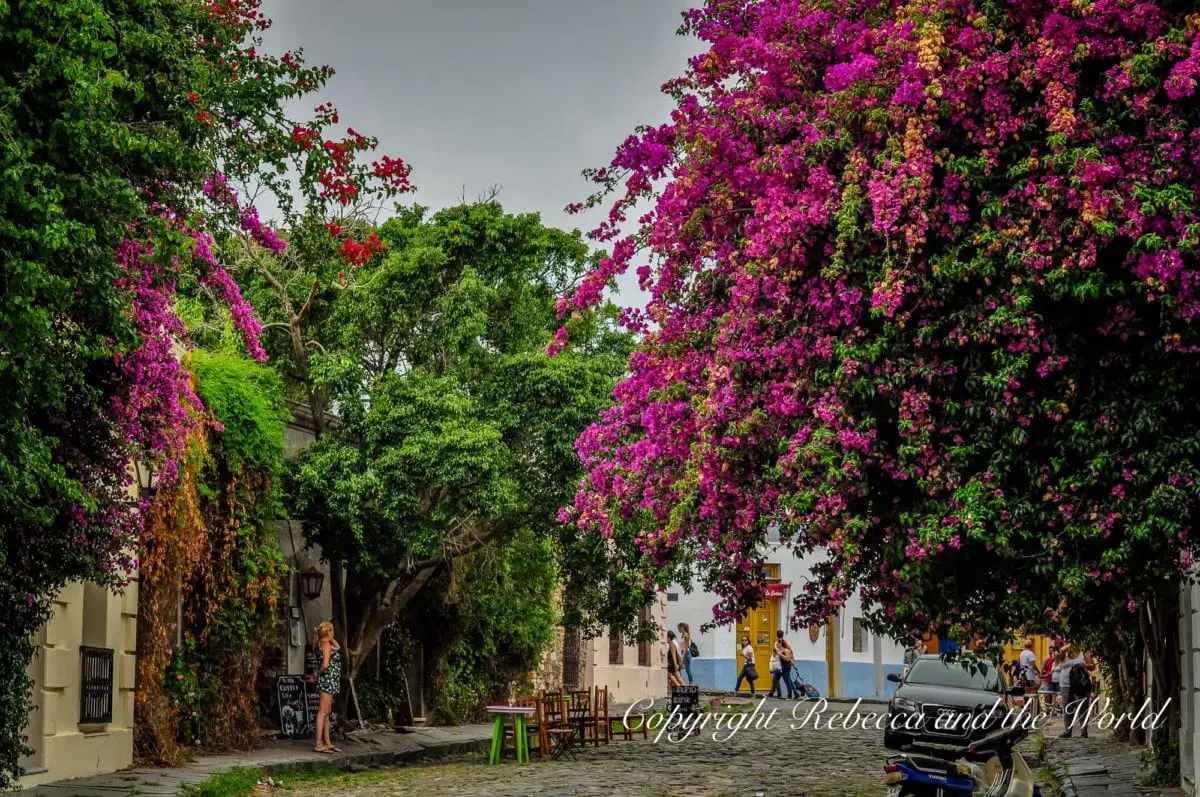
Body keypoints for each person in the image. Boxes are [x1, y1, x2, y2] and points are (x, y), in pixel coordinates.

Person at [311, 621, 343, 753]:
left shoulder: (323, 643)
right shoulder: (325, 645)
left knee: (327, 712)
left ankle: (327, 742)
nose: (334, 633)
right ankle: (319, 743)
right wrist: (317, 674)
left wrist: (327, 635)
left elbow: (338, 647)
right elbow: (325, 664)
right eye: (332, 631)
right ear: (328, 631)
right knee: (323, 712)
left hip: (329, 681)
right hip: (327, 680)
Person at [1059, 644, 1098, 738]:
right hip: (1065, 685)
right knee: (1068, 709)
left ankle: (1084, 732)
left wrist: (1085, 665)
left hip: (1080, 685)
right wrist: (1068, 646)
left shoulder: (1083, 654)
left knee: (1082, 708)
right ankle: (1067, 731)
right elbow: (1060, 652)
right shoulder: (1064, 655)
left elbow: (1093, 666)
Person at [774, 630, 799, 700]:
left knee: (787, 680)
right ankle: (795, 694)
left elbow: (787, 658)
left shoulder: (784, 648)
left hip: (786, 665)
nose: (777, 645)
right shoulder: (785, 645)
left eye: (778, 645)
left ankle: (790, 695)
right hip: (785, 665)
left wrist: (780, 654)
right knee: (788, 680)